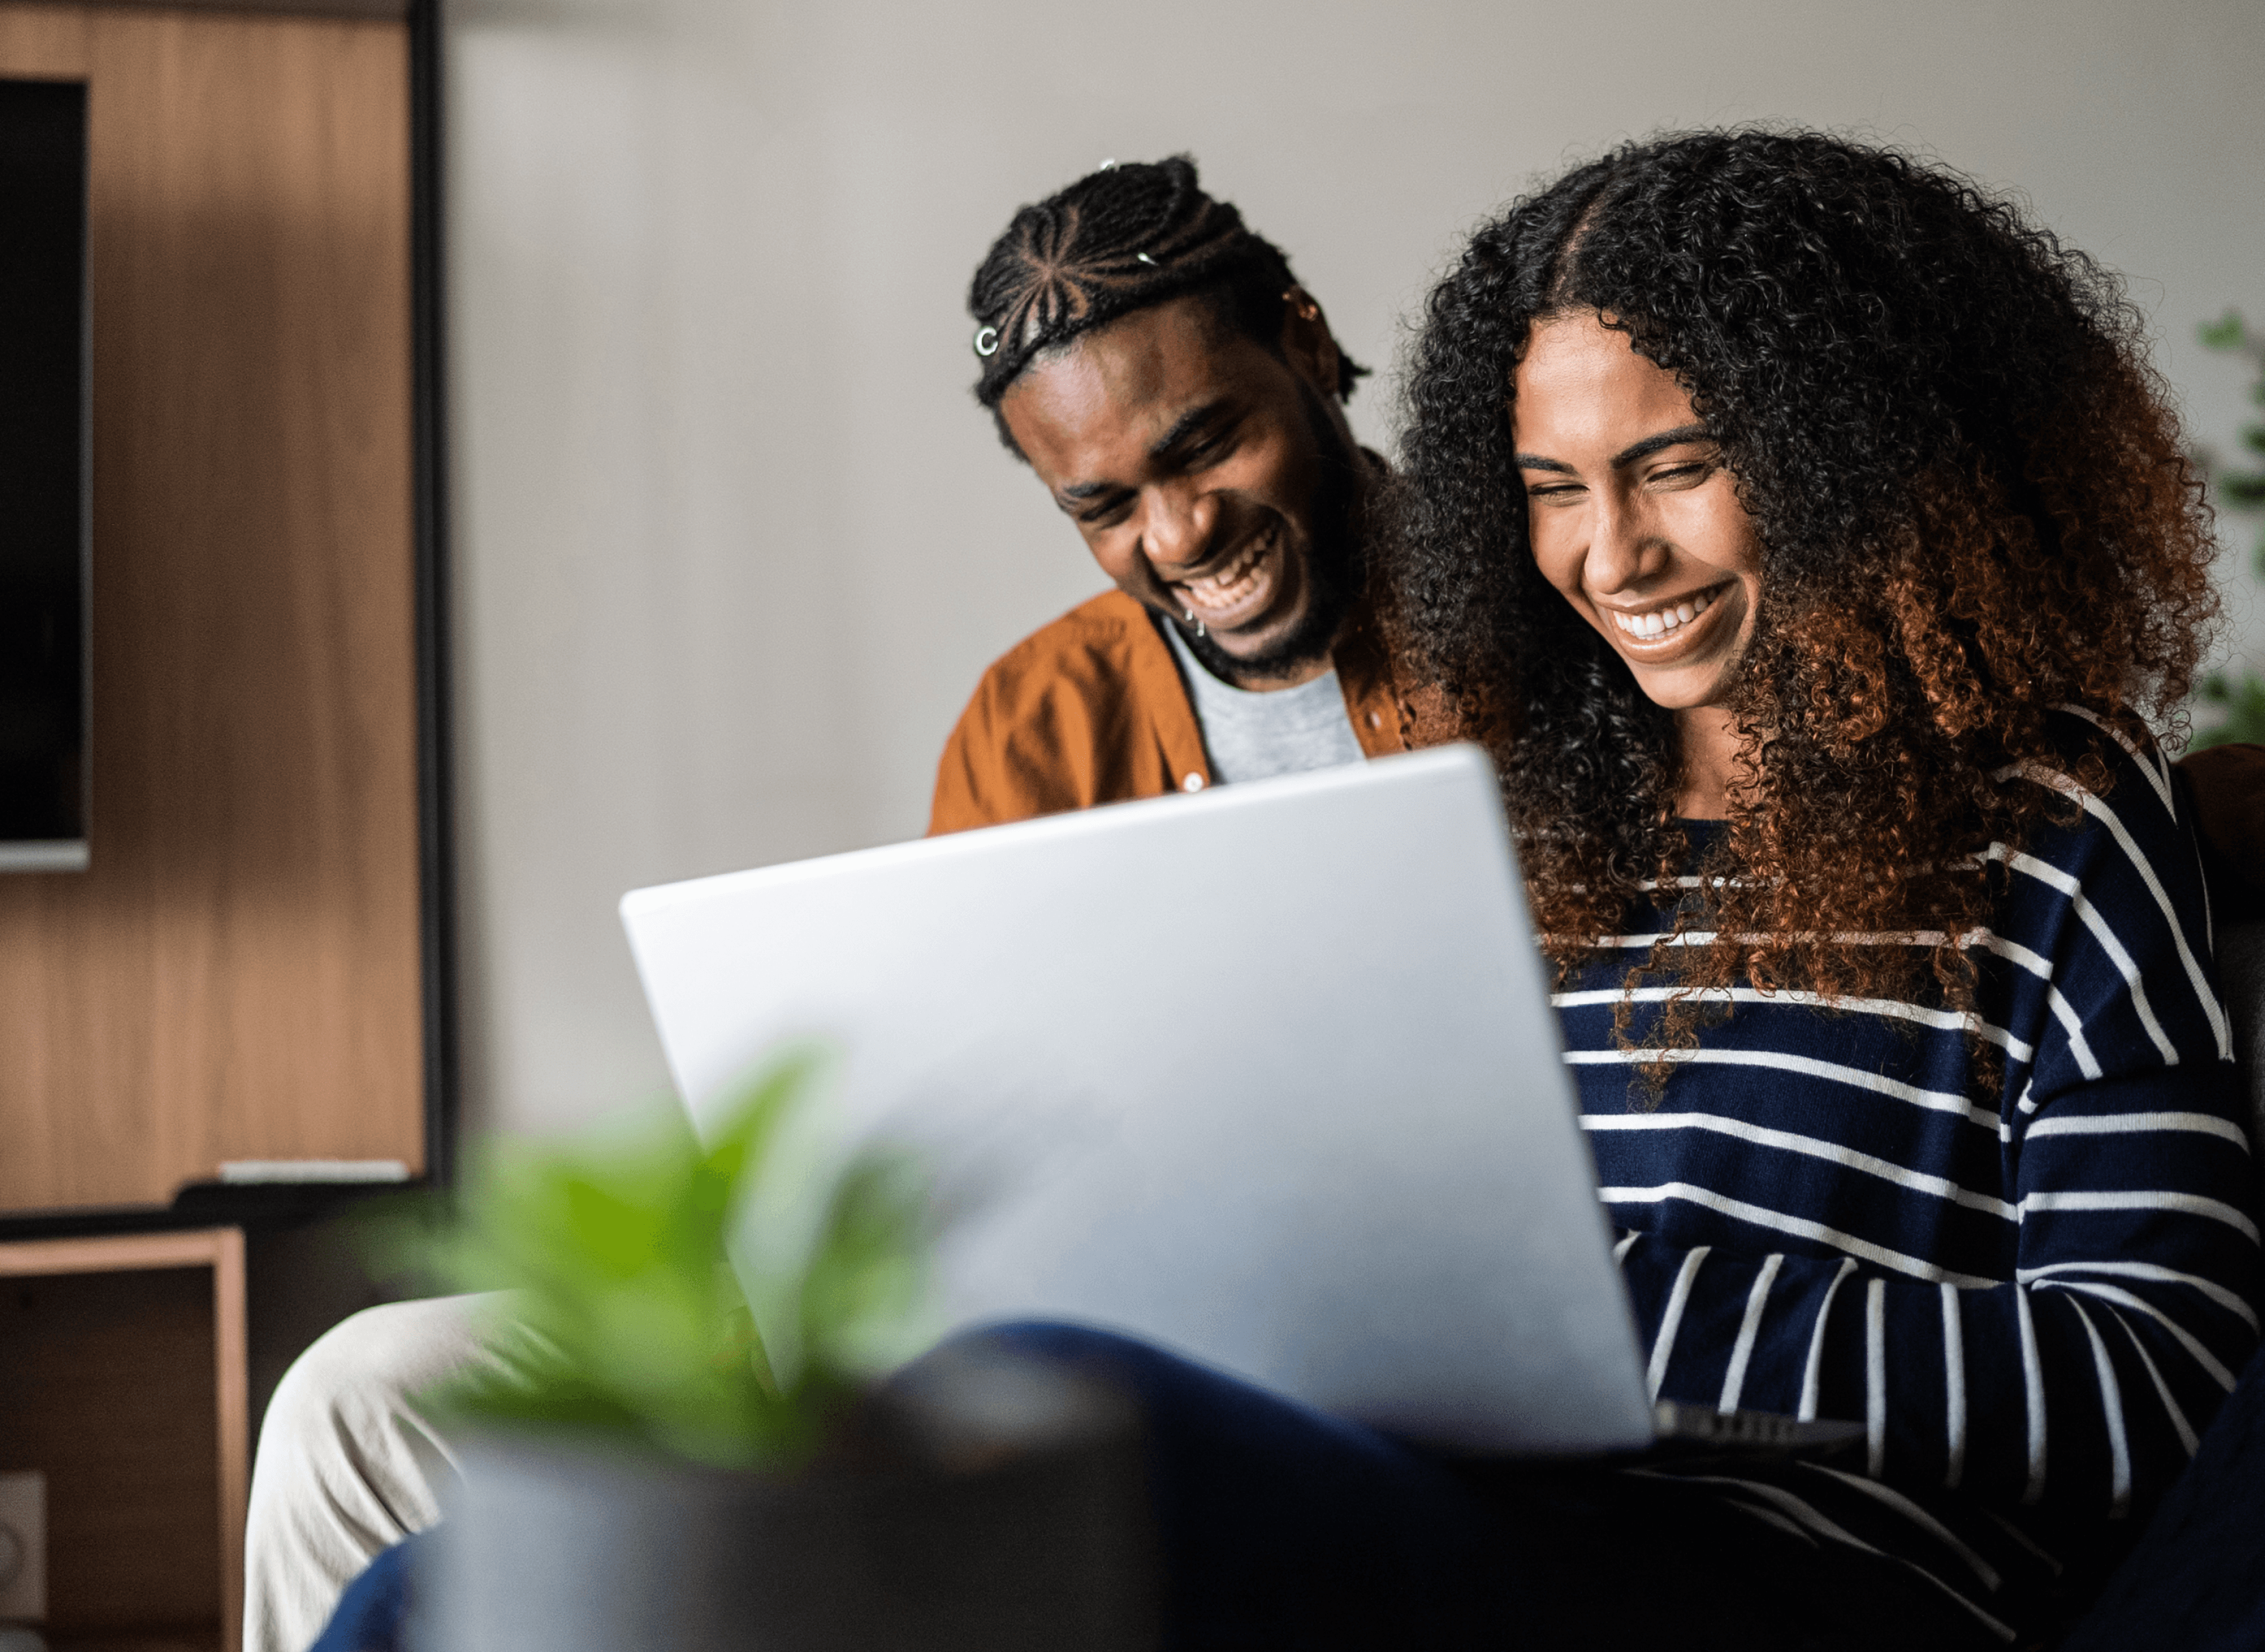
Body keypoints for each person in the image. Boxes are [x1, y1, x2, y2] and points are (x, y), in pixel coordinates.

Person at [272, 138, 2265, 1651]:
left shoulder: (2048, 805)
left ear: (1842, 457)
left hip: (1781, 1577)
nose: (1612, 555)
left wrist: (1627, 1324)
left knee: (1070, 1432)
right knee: (481, 1567)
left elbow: (2149, 1371)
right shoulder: (1555, 812)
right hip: (1477, 1502)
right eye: (1554, 490)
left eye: (1672, 470)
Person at [931, 155, 1430, 830]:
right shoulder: (1023, 728)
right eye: (1105, 509)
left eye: (1205, 449)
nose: (1178, 537)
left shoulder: (1564, 599)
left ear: (1308, 344)